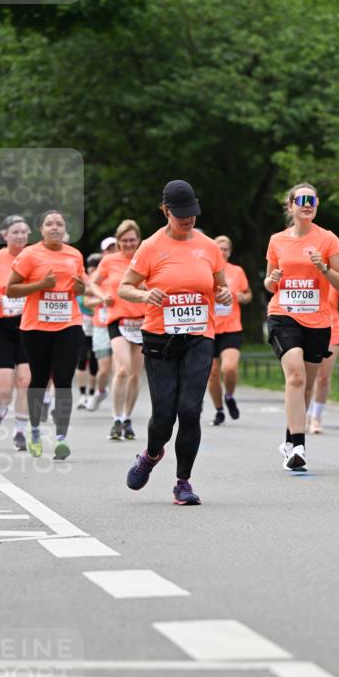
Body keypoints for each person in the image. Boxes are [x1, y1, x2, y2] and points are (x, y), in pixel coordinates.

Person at [118, 179, 230, 505]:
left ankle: (183, 482)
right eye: (181, 214)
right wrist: (143, 293)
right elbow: (125, 286)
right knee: (164, 415)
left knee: (190, 410)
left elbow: (220, 286)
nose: (188, 219)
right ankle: (151, 455)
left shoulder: (208, 247)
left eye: (192, 213)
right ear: (165, 210)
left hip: (199, 336)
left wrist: (222, 293)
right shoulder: (151, 247)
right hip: (159, 338)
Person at [264, 183, 339, 472]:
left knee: (308, 384)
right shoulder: (277, 240)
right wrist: (272, 279)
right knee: (297, 377)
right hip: (283, 315)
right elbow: (268, 283)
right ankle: (299, 444)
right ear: (290, 205)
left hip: (317, 320)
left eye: (312, 200)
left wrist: (324, 269)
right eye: (301, 199)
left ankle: (289, 442)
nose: (307, 204)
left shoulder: (328, 240)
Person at [6, 210, 86, 460]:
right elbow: (11, 290)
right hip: (36, 327)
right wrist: (40, 286)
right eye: (49, 224)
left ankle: (61, 437)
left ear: (65, 228)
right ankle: (36, 432)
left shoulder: (75, 254)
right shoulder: (30, 254)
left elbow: (81, 288)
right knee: (39, 379)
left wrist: (80, 288)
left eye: (59, 224)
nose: (55, 228)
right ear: (40, 229)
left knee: (63, 379)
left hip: (68, 324)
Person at [89, 220, 144, 440]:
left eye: (132, 240)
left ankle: (127, 418)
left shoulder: (145, 259)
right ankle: (115, 419)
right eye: (124, 241)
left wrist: (145, 288)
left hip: (141, 320)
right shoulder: (109, 261)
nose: (128, 244)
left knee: (134, 374)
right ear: (118, 241)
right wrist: (103, 297)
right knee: (122, 369)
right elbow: (92, 283)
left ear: (138, 240)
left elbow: (159, 284)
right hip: (117, 320)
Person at [0, 215, 32, 450]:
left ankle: (20, 432)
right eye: (15, 232)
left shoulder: (35, 256)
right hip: (1, 326)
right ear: (4, 235)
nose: (20, 236)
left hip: (28, 325)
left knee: (25, 380)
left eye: (24, 232)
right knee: (3, 385)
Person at [207, 234, 252, 425]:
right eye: (219, 248)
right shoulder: (205, 271)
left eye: (226, 248)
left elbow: (248, 293)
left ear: (230, 252)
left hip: (232, 327)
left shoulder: (237, 271)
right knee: (213, 373)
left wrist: (244, 297)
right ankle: (219, 410)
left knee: (229, 368)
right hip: (209, 328)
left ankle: (230, 396)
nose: (222, 251)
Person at [306, 283, 339, 433]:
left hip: (330, 331)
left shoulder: (332, 276)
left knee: (323, 378)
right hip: (306, 330)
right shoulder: (302, 271)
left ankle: (316, 416)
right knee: (304, 376)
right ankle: (304, 414)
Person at [76, 254, 101, 411]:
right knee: (81, 359)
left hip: (98, 325)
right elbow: (84, 300)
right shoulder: (85, 280)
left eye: (97, 265)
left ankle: (91, 394)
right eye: (92, 265)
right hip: (83, 325)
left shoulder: (103, 281)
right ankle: (82, 394)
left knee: (94, 363)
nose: (94, 268)